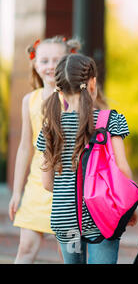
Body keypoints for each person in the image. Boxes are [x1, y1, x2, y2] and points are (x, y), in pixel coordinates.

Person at [37, 53, 138, 264]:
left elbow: (47, 184)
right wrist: (130, 208)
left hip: (66, 221)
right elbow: (122, 170)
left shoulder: (50, 128)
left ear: (60, 88)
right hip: (103, 217)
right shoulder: (109, 120)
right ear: (92, 83)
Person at [8, 36, 80, 263]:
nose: (50, 66)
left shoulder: (75, 98)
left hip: (67, 185)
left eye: (57, 60)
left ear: (68, 61)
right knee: (26, 247)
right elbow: (24, 149)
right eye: (45, 60)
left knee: (68, 253)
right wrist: (17, 191)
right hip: (37, 185)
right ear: (35, 64)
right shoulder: (29, 100)